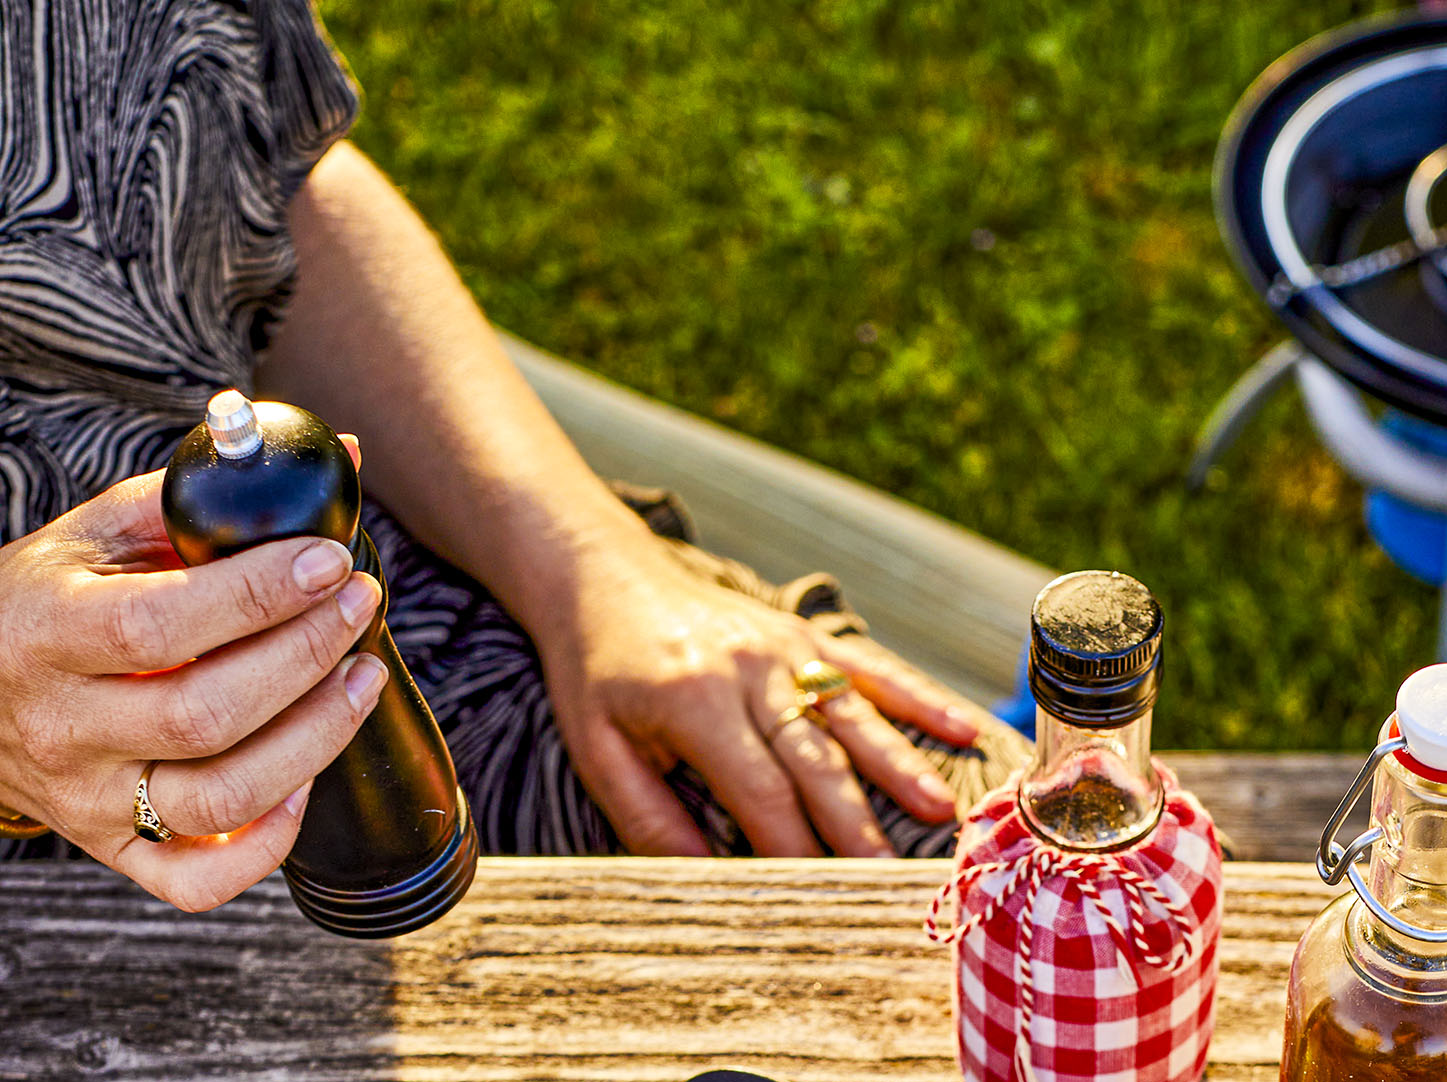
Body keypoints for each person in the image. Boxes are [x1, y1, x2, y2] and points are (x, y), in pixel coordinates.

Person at [0, 0, 1021, 912]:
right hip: (46, 899)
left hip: (412, 633)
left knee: (1029, 884)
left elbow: (254, 171)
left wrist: (590, 569)